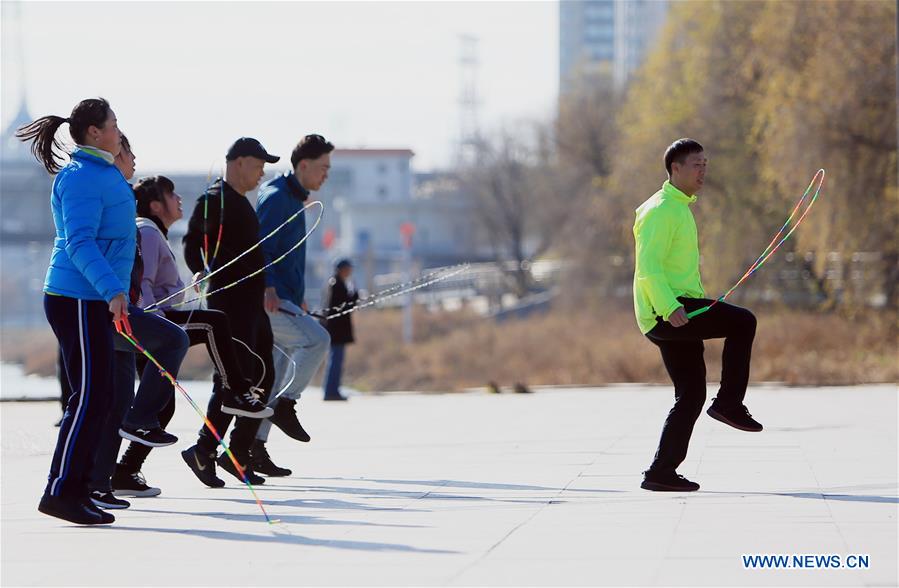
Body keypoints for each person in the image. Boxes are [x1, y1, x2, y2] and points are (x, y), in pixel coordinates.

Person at [114, 175, 273, 492]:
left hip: (157, 320)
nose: (179, 199)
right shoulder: (147, 230)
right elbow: (141, 284)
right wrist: (156, 323)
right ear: (156, 205)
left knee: (164, 406)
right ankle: (236, 390)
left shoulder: (153, 231)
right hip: (152, 322)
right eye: (171, 194)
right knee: (214, 322)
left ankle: (126, 471)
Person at [17, 97, 129, 524]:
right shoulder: (82, 177)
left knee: (98, 396)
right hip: (78, 297)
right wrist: (112, 290)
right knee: (88, 397)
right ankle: (61, 491)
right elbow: (80, 242)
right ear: (94, 132)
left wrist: (116, 292)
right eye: (113, 124)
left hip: (92, 297)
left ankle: (78, 489)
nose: (119, 130)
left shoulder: (101, 172)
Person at [633, 138, 762, 493]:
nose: (702, 172)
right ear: (675, 168)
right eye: (696, 165)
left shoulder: (679, 207)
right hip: (668, 310)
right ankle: (730, 404)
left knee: (690, 395)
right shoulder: (661, 210)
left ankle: (660, 472)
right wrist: (669, 307)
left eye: (705, 165)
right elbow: (648, 268)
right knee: (743, 321)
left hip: (676, 308)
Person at [87, 135, 190, 509]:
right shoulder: (111, 199)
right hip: (110, 308)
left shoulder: (119, 199)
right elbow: (88, 247)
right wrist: (118, 296)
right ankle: (140, 421)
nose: (134, 158)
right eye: (128, 152)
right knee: (175, 339)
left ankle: (99, 485)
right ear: (114, 156)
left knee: (117, 401)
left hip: (119, 307)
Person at [181, 137, 279, 487]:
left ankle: (233, 451)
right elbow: (193, 244)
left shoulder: (241, 202)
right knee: (233, 381)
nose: (262, 173)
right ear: (238, 163)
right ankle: (206, 449)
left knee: (263, 374)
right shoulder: (214, 200)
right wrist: (199, 269)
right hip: (230, 306)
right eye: (258, 165)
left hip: (252, 306)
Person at [252, 134, 334, 477]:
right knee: (317, 339)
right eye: (323, 167)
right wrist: (269, 287)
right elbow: (261, 247)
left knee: (272, 376)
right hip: (271, 299)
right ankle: (287, 404)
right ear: (303, 165)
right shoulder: (277, 198)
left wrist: (296, 293)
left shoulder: (293, 198)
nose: (326, 174)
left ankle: (253, 448)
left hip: (286, 296)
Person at [321, 259, 359, 401]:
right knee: (335, 361)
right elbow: (344, 306)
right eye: (348, 268)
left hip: (335, 330)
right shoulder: (336, 285)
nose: (350, 271)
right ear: (341, 269)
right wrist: (355, 294)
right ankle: (331, 391)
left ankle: (331, 390)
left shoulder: (336, 283)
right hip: (336, 330)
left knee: (335, 360)